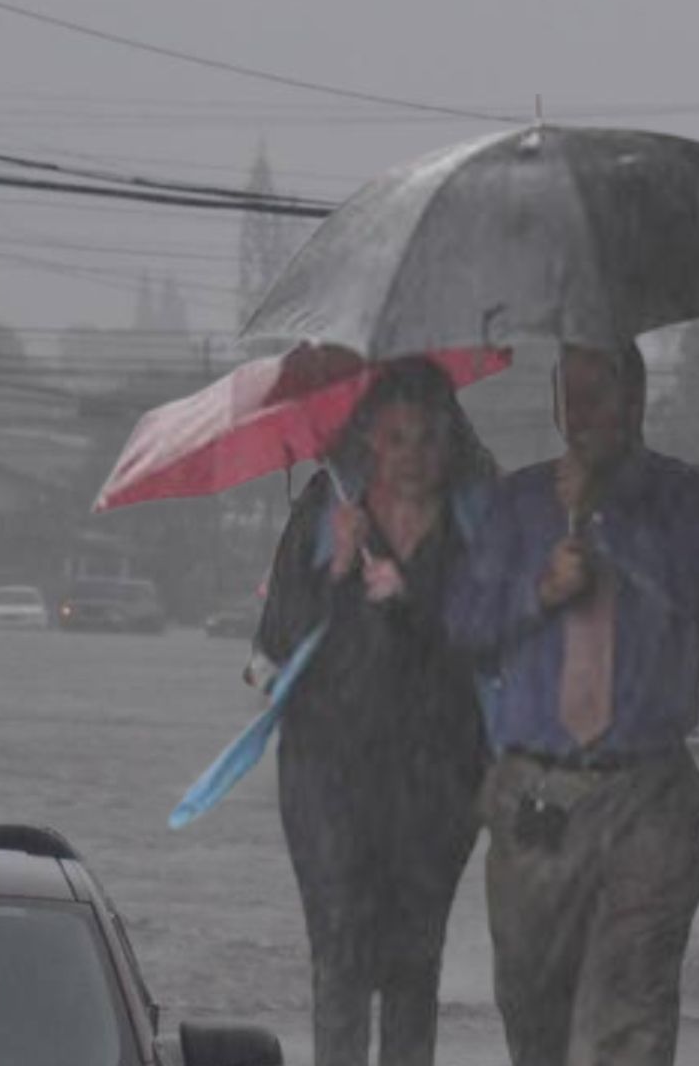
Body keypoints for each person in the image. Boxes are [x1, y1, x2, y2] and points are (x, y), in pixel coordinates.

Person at [446, 340, 699, 1066]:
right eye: (566, 397)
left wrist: (604, 521)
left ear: (635, 403)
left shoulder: (689, 497)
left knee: (628, 1017)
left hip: (645, 792)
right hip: (534, 795)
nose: (578, 416)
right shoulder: (516, 505)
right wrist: (539, 591)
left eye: (595, 397)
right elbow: (466, 628)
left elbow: (691, 591)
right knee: (535, 1014)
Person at [252, 358, 496, 1066]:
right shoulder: (325, 515)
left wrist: (411, 596)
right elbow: (274, 644)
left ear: (450, 443)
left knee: (415, 960)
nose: (411, 456)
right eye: (395, 438)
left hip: (440, 777)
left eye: (427, 438)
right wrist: (337, 569)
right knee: (339, 952)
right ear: (369, 442)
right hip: (328, 775)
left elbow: (496, 634)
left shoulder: (475, 525)